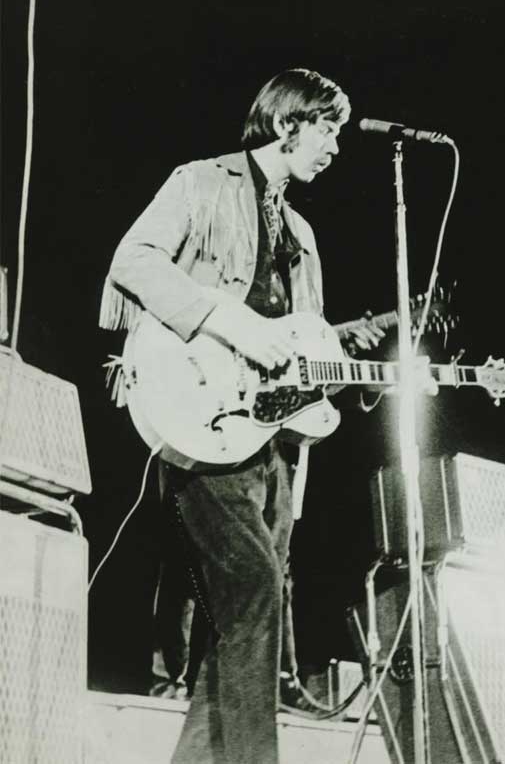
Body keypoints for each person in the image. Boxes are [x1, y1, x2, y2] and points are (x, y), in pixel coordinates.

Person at [99, 68, 384, 764]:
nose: (337, 147)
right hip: (201, 419)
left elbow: (303, 354)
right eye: (330, 129)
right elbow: (132, 260)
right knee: (255, 588)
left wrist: (354, 379)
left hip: (274, 442)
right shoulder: (200, 182)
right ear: (289, 123)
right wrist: (223, 317)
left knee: (241, 620)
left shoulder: (304, 232)